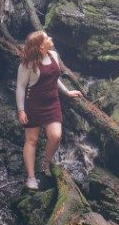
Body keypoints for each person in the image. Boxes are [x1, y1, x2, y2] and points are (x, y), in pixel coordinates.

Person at [16, 30, 83, 190]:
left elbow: (55, 77)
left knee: (55, 136)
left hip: (52, 102)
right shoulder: (28, 64)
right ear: (39, 46)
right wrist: (21, 110)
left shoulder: (54, 55)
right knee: (32, 140)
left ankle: (45, 163)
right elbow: (20, 87)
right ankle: (31, 178)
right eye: (46, 38)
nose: (50, 38)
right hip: (33, 104)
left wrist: (67, 92)